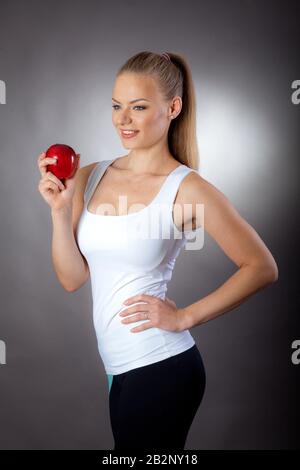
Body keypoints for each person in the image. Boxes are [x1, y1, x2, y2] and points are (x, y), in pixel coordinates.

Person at [37, 50, 278, 450]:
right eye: (117, 106)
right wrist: (60, 214)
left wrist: (185, 316)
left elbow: (262, 267)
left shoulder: (186, 188)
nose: (122, 119)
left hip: (161, 366)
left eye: (138, 107)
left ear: (173, 107)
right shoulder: (88, 176)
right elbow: (72, 279)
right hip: (118, 368)